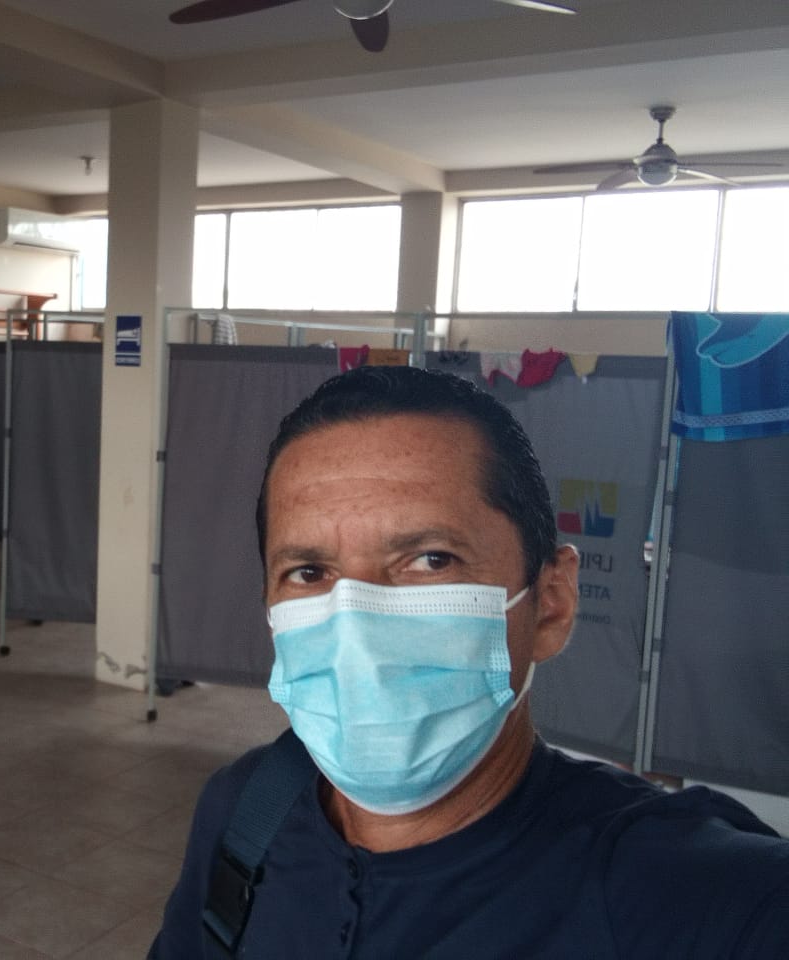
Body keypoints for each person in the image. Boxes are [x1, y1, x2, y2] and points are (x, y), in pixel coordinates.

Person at [149, 365, 789, 959]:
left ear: (551, 603)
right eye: (309, 572)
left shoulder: (679, 889)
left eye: (431, 560)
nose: (356, 629)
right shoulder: (244, 809)